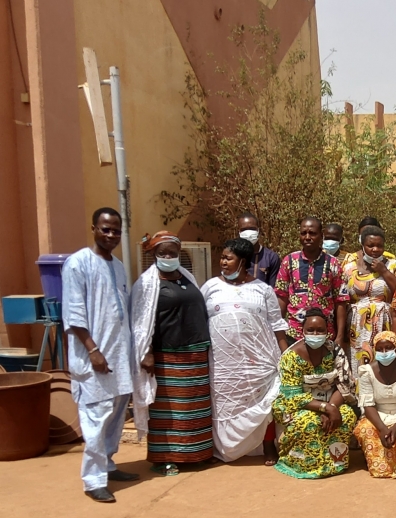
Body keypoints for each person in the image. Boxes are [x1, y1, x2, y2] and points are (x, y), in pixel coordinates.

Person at [61, 207, 138, 502]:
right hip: (94, 356)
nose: (111, 235)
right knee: (95, 416)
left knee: (116, 415)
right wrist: (92, 349)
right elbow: (74, 314)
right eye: (105, 229)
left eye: (116, 230)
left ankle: (106, 463)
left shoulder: (118, 266)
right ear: (93, 228)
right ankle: (93, 480)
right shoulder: (78, 264)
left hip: (118, 356)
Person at [131, 231, 212, 476]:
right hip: (167, 355)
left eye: (172, 252)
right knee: (169, 411)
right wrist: (145, 353)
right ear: (154, 254)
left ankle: (197, 454)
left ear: (179, 253)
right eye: (162, 253)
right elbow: (140, 322)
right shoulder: (147, 283)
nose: (168, 256)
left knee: (194, 408)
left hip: (195, 353)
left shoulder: (186, 277)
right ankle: (164, 458)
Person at [202, 238, 289, 464]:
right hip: (223, 362)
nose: (223, 262)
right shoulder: (211, 287)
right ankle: (224, 447)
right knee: (223, 403)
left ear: (243, 262)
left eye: (228, 258)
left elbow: (276, 324)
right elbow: (200, 320)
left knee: (264, 400)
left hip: (259, 360)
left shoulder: (262, 289)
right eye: (222, 257)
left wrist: (285, 355)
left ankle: (268, 445)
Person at [273, 308, 358, 479]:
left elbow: (344, 384)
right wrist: (323, 408)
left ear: (328, 332)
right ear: (302, 331)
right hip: (297, 405)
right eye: (310, 330)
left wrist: (332, 407)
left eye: (320, 330)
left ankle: (335, 462)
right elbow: (292, 395)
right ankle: (303, 463)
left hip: (330, 401)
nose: (315, 333)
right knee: (309, 422)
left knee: (346, 415)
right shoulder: (291, 356)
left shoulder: (335, 351)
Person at [353, 331, 396, 478]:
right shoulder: (366, 371)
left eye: (388, 348)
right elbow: (368, 405)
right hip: (377, 416)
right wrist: (383, 428)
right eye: (380, 349)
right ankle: (378, 460)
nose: (384, 353)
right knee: (363, 429)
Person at [275, 216, 349, 346]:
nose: (307, 237)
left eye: (312, 233)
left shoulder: (333, 263)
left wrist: (340, 337)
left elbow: (341, 301)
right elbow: (281, 297)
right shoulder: (289, 261)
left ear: (321, 236)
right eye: (304, 233)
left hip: (325, 334)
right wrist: (279, 334)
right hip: (294, 334)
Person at [340, 225, 396, 372]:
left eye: (379, 246)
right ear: (362, 246)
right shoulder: (349, 267)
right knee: (357, 364)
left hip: (384, 323)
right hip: (356, 325)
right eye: (370, 246)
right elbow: (342, 299)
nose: (375, 249)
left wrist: (383, 271)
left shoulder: (394, 265)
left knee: (382, 362)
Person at [238, 212, 281, 287]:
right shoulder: (235, 256)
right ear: (239, 232)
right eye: (244, 229)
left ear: (258, 230)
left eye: (252, 229)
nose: (248, 233)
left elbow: (273, 288)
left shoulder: (271, 257)